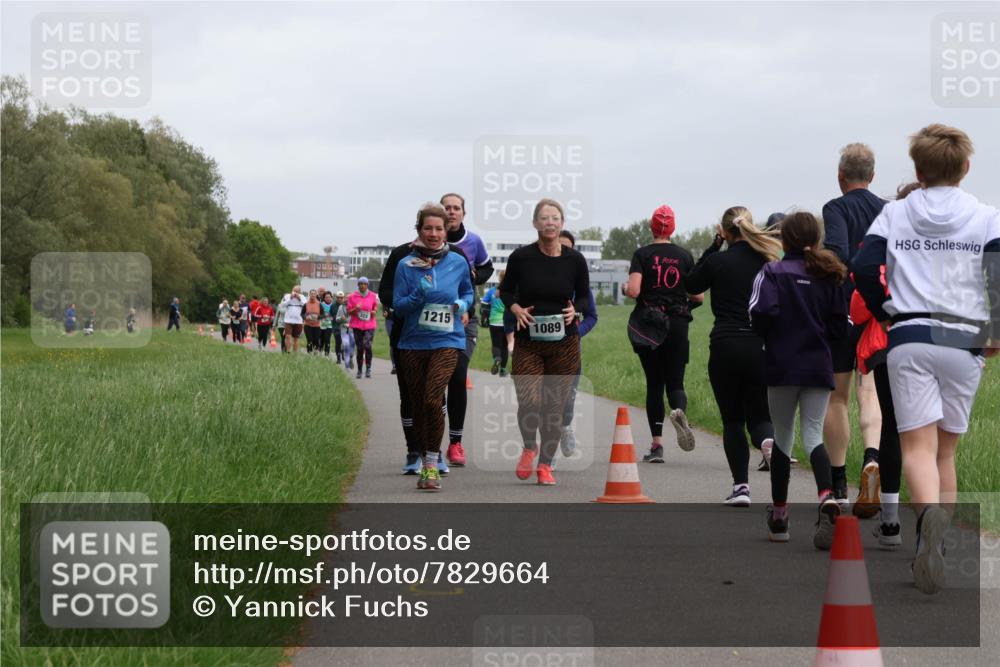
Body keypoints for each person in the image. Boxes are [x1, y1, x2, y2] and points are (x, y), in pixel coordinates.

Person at [853, 124, 999, 594]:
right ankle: (941, 544)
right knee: (946, 450)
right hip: (965, 337)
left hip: (911, 333)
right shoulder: (986, 216)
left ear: (917, 169)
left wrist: (886, 311)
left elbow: (861, 267)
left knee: (916, 447)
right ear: (966, 167)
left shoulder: (895, 213)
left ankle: (927, 525)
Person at [749, 211, 848, 549]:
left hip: (781, 365)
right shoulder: (829, 275)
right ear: (816, 239)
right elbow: (841, 326)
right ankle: (826, 495)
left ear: (783, 240)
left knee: (783, 438)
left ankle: (780, 518)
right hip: (818, 366)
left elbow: (758, 313)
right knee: (813, 435)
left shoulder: (772, 272)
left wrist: (776, 334)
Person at [686, 206, 782, 506]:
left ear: (724, 232)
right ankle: (768, 444)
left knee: (732, 420)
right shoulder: (768, 261)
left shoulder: (718, 261)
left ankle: (741, 488)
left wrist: (713, 247)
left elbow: (690, 285)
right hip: (758, 346)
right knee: (760, 417)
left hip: (725, 345)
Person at [500, 198, 589, 486]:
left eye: (555, 218)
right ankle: (529, 446)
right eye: (545, 218)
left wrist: (578, 310)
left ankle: (546, 465)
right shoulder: (521, 258)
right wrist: (514, 309)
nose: (550, 222)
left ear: (562, 223)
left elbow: (585, 296)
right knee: (529, 400)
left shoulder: (575, 260)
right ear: (535, 223)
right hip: (529, 341)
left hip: (564, 343)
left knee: (554, 407)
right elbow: (505, 292)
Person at [822, 143, 887, 513]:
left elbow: (836, 252)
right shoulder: (889, 209)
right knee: (871, 390)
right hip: (881, 310)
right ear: (873, 176)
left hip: (846, 308)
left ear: (840, 176)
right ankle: (872, 458)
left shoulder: (835, 208)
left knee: (838, 397)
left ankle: (837, 485)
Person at [393, 203, 474, 491]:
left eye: (439, 228)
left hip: (447, 339)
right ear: (419, 231)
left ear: (446, 231)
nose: (434, 233)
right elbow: (398, 307)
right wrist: (419, 294)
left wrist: (463, 304)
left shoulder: (458, 262)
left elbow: (467, 292)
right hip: (413, 342)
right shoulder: (405, 265)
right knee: (418, 405)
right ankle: (426, 457)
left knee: (432, 399)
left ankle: (430, 463)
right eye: (428, 228)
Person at [623, 204, 701, 463]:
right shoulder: (684, 256)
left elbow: (634, 290)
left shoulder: (642, 254)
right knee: (676, 382)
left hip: (649, 325)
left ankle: (657, 446)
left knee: (655, 384)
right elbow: (698, 296)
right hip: (678, 323)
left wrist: (625, 288)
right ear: (673, 227)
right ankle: (679, 411)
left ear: (652, 226)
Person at [441, 192, 494, 467]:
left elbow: (488, 269)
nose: (451, 212)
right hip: (435, 319)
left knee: (458, 374)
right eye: (446, 208)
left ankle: (456, 443)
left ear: (463, 213)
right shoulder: (428, 239)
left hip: (465, 316)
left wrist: (474, 276)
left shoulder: (473, 242)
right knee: (436, 379)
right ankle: (431, 441)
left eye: (455, 208)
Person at [555, 230, 598, 463]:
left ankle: (565, 427)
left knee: (567, 396)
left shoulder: (580, 285)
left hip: (571, 349)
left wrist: (574, 334)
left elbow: (592, 316)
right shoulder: (538, 279)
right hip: (541, 347)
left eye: (567, 248)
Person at [348, 277, 379, 378]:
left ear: (367, 285)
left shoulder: (373, 295)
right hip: (357, 325)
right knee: (360, 348)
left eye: (364, 284)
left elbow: (375, 307)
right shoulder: (352, 296)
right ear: (358, 285)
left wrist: (374, 311)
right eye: (360, 284)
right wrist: (355, 309)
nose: (362, 285)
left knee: (368, 346)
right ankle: (360, 370)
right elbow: (349, 311)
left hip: (369, 325)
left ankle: (368, 368)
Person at [481, 272, 510, 377]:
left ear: (499, 278)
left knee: (496, 344)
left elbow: (484, 304)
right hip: (507, 322)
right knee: (505, 346)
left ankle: (497, 358)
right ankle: (502, 370)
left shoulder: (492, 291)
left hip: (494, 321)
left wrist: (484, 317)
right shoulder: (511, 290)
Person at [280, 286, 307, 353]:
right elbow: (282, 304)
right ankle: (288, 351)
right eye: (294, 291)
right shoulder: (287, 296)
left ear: (299, 292)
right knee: (287, 336)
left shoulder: (302, 297)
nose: (295, 293)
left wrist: (299, 298)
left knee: (296, 338)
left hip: (298, 320)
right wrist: (290, 298)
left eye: (297, 291)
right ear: (292, 290)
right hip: (288, 320)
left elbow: (305, 306)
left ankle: (295, 352)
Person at [336, 292, 355, 369]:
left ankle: (350, 358)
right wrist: (341, 318)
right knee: (346, 344)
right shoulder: (341, 307)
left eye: (350, 298)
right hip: (344, 328)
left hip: (353, 329)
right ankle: (344, 354)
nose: (348, 299)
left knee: (352, 345)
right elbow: (337, 319)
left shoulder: (355, 307)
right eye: (347, 298)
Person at [303, 289, 322, 353]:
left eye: (314, 294)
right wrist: (306, 317)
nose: (312, 295)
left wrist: (318, 317)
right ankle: (309, 353)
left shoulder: (319, 304)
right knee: (309, 340)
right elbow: (302, 314)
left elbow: (323, 314)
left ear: (316, 295)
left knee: (316, 340)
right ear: (309, 295)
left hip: (317, 325)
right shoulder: (306, 304)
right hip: (308, 325)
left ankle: (315, 353)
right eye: (311, 294)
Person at [319, 291, 336, 356]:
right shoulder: (321, 304)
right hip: (321, 325)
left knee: (327, 339)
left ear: (331, 297)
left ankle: (327, 354)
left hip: (330, 325)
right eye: (326, 297)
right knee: (321, 339)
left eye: (329, 297)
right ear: (324, 298)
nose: (328, 298)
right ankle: (319, 352)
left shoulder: (333, 305)